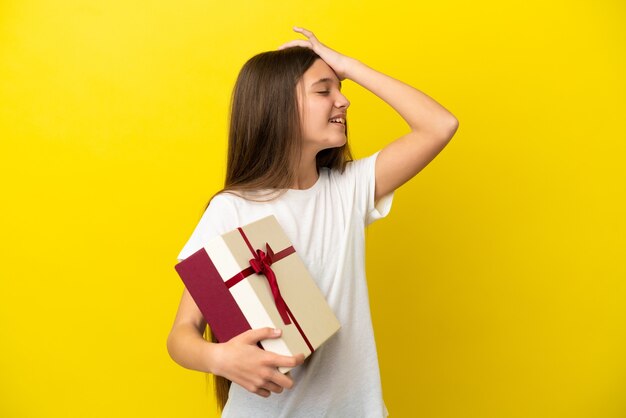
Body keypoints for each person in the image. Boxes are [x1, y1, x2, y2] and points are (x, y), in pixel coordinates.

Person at [167, 26, 459, 417]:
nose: (343, 101)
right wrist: (220, 359)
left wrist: (346, 66)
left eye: (338, 88)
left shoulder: (348, 190)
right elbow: (181, 334)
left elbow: (439, 125)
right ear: (277, 106)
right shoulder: (232, 209)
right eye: (324, 91)